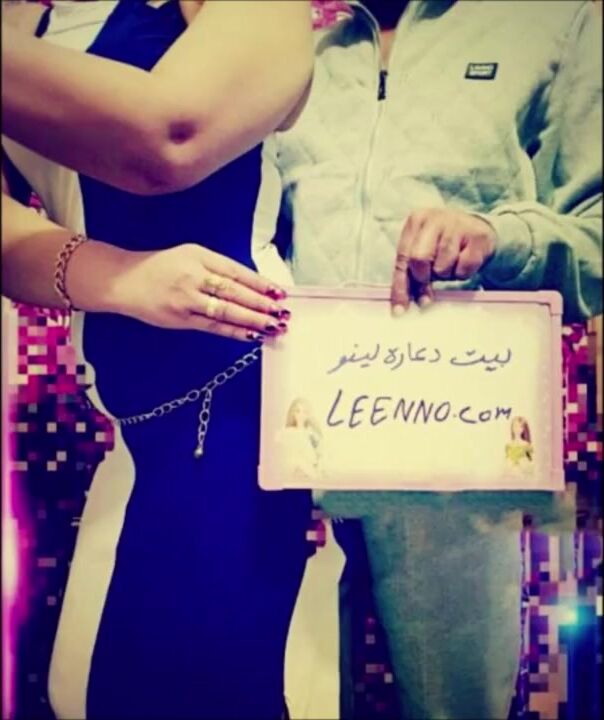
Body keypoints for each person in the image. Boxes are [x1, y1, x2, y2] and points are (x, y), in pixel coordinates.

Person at [254, 0, 603, 717]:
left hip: (448, 449)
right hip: (293, 442)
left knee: (452, 706)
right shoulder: (297, 49)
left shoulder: (552, 24)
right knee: (290, 693)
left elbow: (596, 242)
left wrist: (495, 236)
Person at [1, 1, 314, 718]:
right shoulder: (21, 21)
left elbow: (171, 134)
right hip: (129, 418)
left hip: (236, 407)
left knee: (175, 691)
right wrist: (118, 277)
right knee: (86, 692)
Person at [277, 398, 324, 483]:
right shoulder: (285, 432)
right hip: (294, 470)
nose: (301, 415)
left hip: (310, 470)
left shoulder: (312, 433)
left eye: (304, 412)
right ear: (292, 413)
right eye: (297, 411)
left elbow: (319, 454)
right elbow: (284, 454)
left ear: (308, 414)